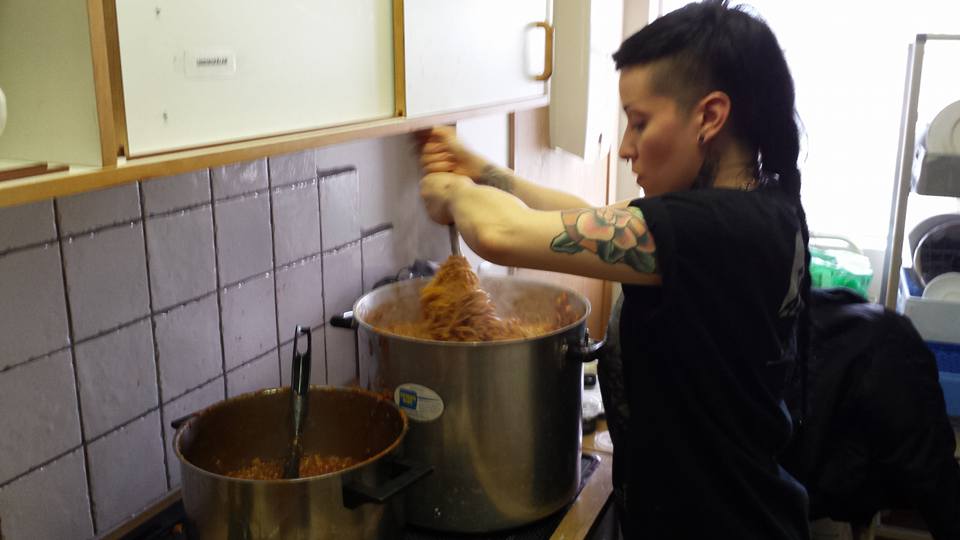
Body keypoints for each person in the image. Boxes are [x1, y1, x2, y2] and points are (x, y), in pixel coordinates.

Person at [418, 1, 811, 538]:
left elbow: (500, 235)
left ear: (710, 116)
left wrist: (452, 192)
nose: (626, 147)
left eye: (639, 122)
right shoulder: (754, 211)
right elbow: (588, 217)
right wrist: (481, 170)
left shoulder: (719, 228)